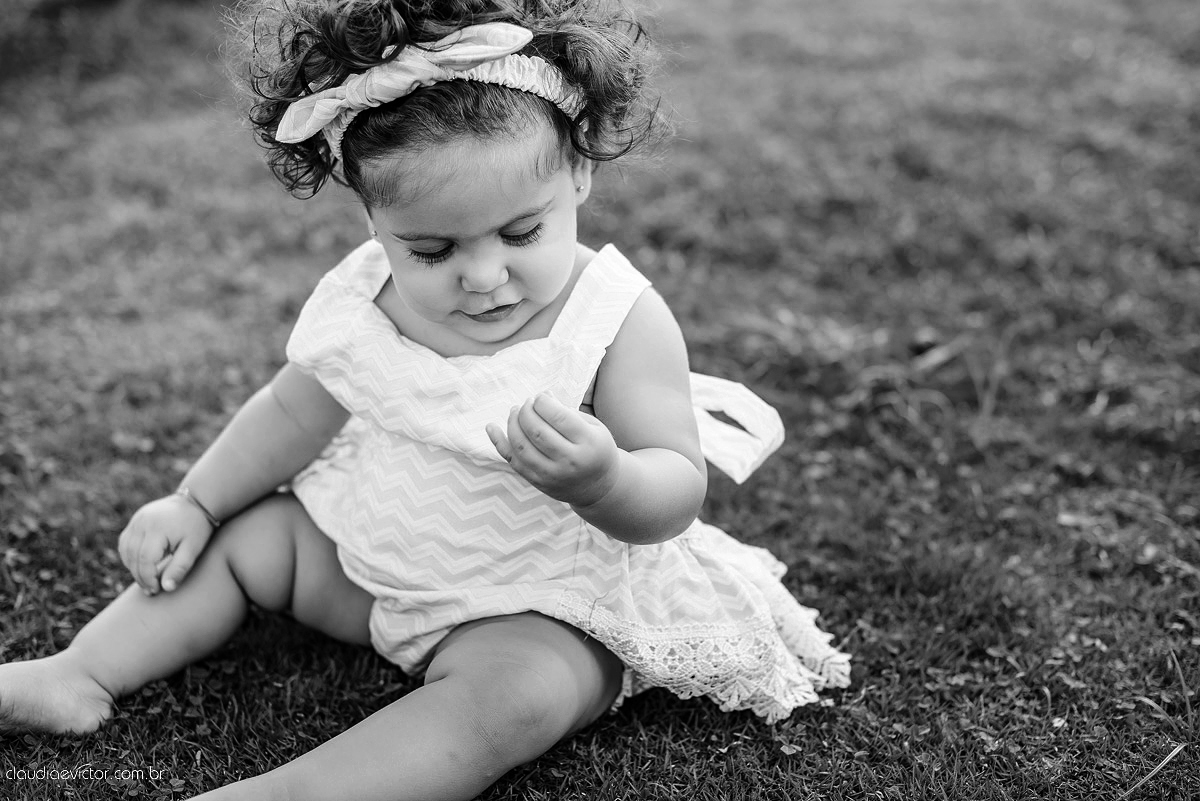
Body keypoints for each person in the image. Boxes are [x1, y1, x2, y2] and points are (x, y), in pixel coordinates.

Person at [0, 1, 850, 798]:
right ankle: (81, 672)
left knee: (519, 693)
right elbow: (293, 411)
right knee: (247, 535)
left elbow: (676, 485)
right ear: (374, 224)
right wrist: (195, 498)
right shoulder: (366, 299)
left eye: (522, 233)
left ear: (579, 177)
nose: (484, 278)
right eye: (433, 249)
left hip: (539, 592)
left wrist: (606, 480)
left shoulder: (616, 315)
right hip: (375, 552)